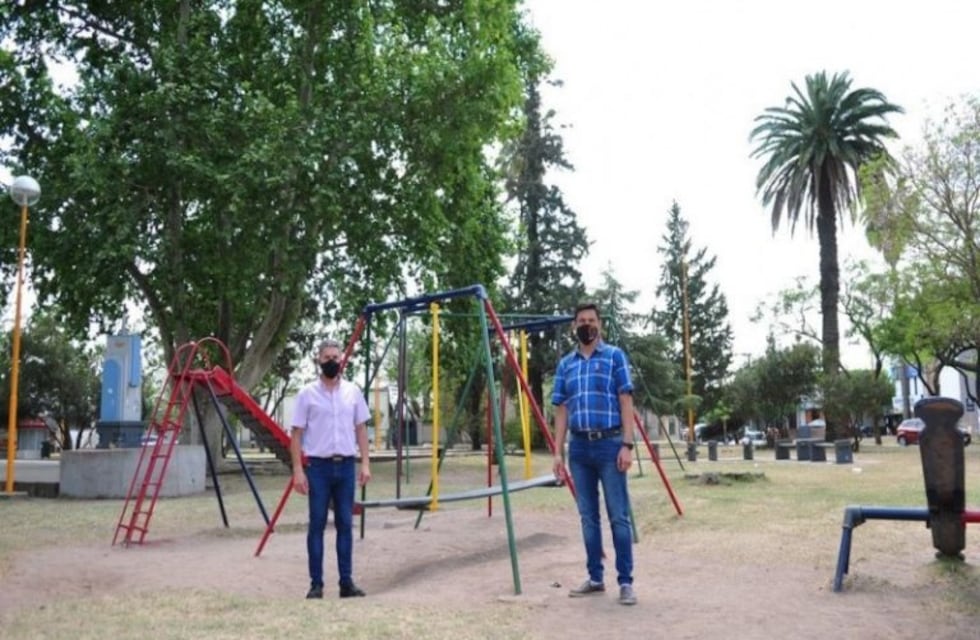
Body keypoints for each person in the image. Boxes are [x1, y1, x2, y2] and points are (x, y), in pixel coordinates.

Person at [551, 302, 638, 606]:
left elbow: (625, 400)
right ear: (574, 326)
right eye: (581, 321)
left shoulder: (614, 357)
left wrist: (627, 445)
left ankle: (626, 582)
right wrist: (558, 453)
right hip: (579, 449)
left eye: (591, 320)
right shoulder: (566, 365)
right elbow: (561, 410)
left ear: (600, 325)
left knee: (618, 517)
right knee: (588, 518)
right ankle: (596, 578)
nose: (586, 325)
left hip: (610, 445)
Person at [290, 338, 372, 599]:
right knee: (317, 524)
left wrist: (366, 463)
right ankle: (316, 584)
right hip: (318, 468)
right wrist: (298, 470)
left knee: (345, 524)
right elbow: (296, 434)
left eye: (336, 357)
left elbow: (361, 429)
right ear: (318, 361)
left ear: (341, 361)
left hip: (346, 466)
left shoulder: (353, 392)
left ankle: (346, 583)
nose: (332, 362)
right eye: (327, 358)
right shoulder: (307, 394)